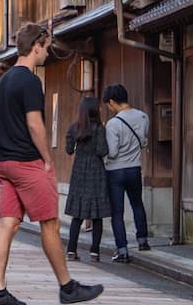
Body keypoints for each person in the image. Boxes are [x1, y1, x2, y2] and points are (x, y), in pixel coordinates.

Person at [0, 23, 104, 305]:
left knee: (7, 223)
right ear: (36, 46)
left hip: (5, 163)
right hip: (27, 163)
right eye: (47, 47)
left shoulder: (3, 81)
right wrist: (48, 159)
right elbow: (34, 124)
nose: (48, 52)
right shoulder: (30, 81)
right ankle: (67, 287)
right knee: (50, 224)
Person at [103, 84, 153, 262]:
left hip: (115, 171)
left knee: (117, 212)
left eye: (108, 105)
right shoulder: (143, 116)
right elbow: (144, 141)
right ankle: (143, 240)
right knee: (137, 204)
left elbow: (112, 152)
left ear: (112, 102)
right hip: (134, 168)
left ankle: (122, 250)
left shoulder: (113, 123)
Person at [62, 97, 111, 263]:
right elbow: (102, 150)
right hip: (96, 170)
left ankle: (71, 250)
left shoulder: (74, 127)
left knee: (77, 213)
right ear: (95, 110)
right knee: (97, 214)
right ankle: (94, 252)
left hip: (79, 169)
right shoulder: (100, 128)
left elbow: (69, 149)